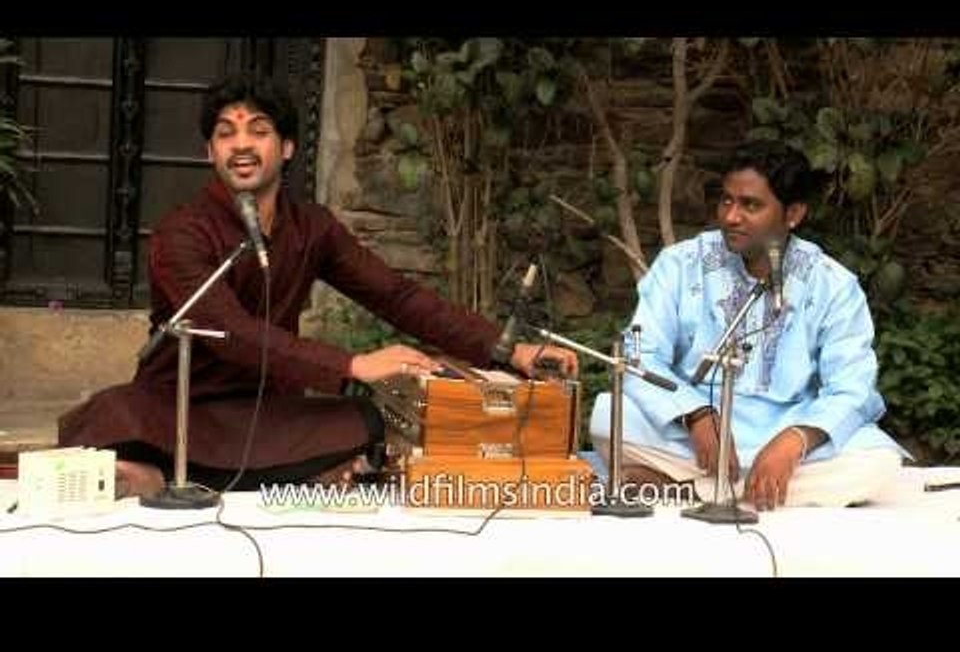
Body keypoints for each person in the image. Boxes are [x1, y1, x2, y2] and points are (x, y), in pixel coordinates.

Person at [58, 72, 577, 497]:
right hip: (178, 408)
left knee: (366, 420)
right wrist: (350, 364)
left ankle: (172, 481)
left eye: (257, 130)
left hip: (267, 414)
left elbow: (396, 295)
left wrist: (508, 351)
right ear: (209, 153)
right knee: (113, 416)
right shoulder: (181, 232)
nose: (241, 144)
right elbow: (229, 329)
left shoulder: (313, 228)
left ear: (286, 148)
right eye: (225, 132)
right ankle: (228, 475)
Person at [589, 140, 908, 511]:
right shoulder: (680, 264)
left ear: (793, 214)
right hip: (692, 436)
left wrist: (793, 441)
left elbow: (852, 387)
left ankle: (692, 489)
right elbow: (640, 356)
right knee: (611, 417)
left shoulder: (832, 284)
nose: (730, 217)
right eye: (726, 200)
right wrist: (695, 414)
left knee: (877, 461)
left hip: (787, 431)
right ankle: (752, 491)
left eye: (750, 205)